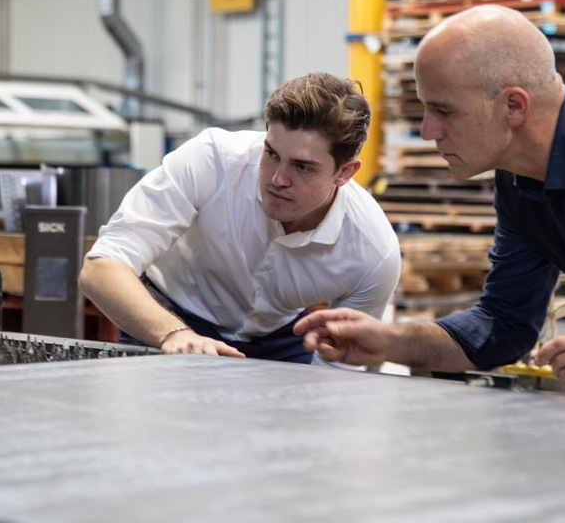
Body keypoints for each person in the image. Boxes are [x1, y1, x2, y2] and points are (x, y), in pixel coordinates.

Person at [294, 5, 565, 403]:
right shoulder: (522, 180)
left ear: (513, 106)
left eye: (443, 110)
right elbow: (503, 323)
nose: (427, 131)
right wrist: (390, 341)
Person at [79, 72, 401, 363]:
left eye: (302, 166)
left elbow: (338, 369)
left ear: (344, 172)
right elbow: (101, 269)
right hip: (167, 318)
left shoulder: (372, 252)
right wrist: (175, 334)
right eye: (271, 154)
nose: (278, 179)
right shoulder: (212, 161)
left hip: (280, 341)